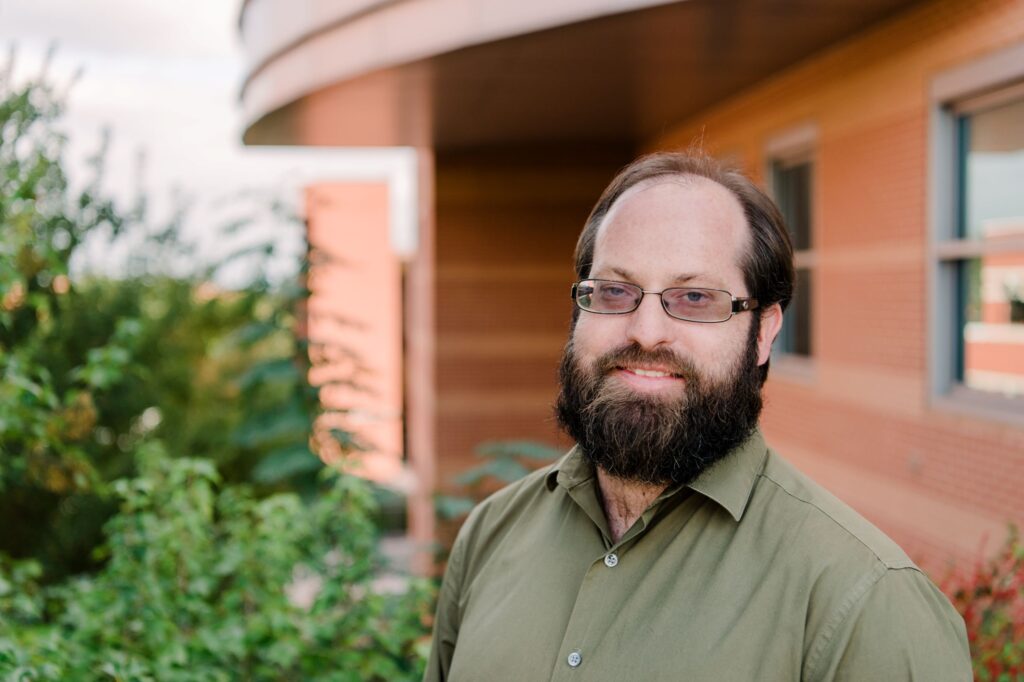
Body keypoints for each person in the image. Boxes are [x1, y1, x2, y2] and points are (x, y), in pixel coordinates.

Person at [424, 152, 971, 681]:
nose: (645, 330)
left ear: (764, 331)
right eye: (614, 291)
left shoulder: (869, 601)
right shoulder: (490, 536)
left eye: (694, 298)